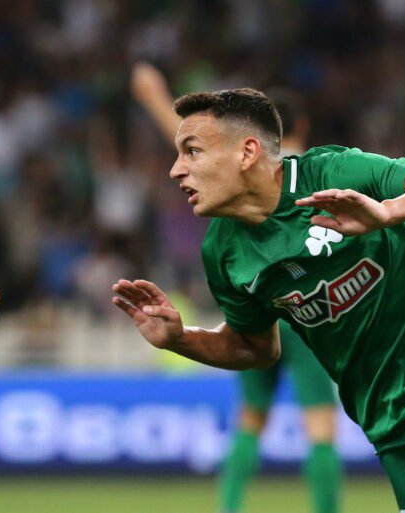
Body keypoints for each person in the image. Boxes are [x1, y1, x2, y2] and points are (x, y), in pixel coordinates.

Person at [112, 86, 405, 513]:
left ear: (247, 152)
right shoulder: (224, 252)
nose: (176, 170)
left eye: (192, 151)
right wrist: (181, 339)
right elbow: (255, 347)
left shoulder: (330, 174)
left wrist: (387, 212)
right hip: (385, 412)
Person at [131, 62, 342, 513]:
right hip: (305, 308)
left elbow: (195, 148)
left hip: (256, 301)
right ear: (301, 126)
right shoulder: (312, 168)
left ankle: (228, 508)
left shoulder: (238, 165)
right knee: (320, 426)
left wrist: (154, 96)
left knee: (250, 421)